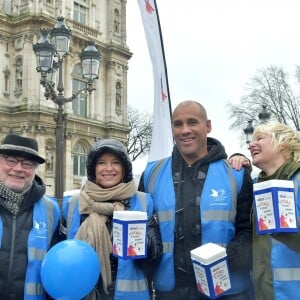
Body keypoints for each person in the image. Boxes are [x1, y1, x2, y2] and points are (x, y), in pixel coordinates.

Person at [138, 100, 253, 300]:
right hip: (171, 292)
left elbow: (250, 231)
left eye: (192, 122)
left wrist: (228, 258)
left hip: (227, 292)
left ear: (207, 126)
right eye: (178, 124)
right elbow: (142, 227)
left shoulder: (237, 174)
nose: (185, 130)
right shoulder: (151, 175)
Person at [62, 139, 162, 300]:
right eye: (101, 163)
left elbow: (155, 258)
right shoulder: (73, 204)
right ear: (93, 168)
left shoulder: (144, 202)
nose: (108, 168)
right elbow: (60, 255)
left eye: (116, 162)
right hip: (84, 294)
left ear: (124, 168)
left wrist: (142, 244)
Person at [0, 133, 60, 299]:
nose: (18, 168)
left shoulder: (52, 209)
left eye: (27, 163)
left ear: (34, 169)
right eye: (11, 160)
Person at [248, 121, 300, 299]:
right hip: (264, 293)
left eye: (260, 138)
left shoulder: (298, 181)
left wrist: (283, 228)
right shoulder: (254, 187)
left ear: (283, 143)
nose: (251, 144)